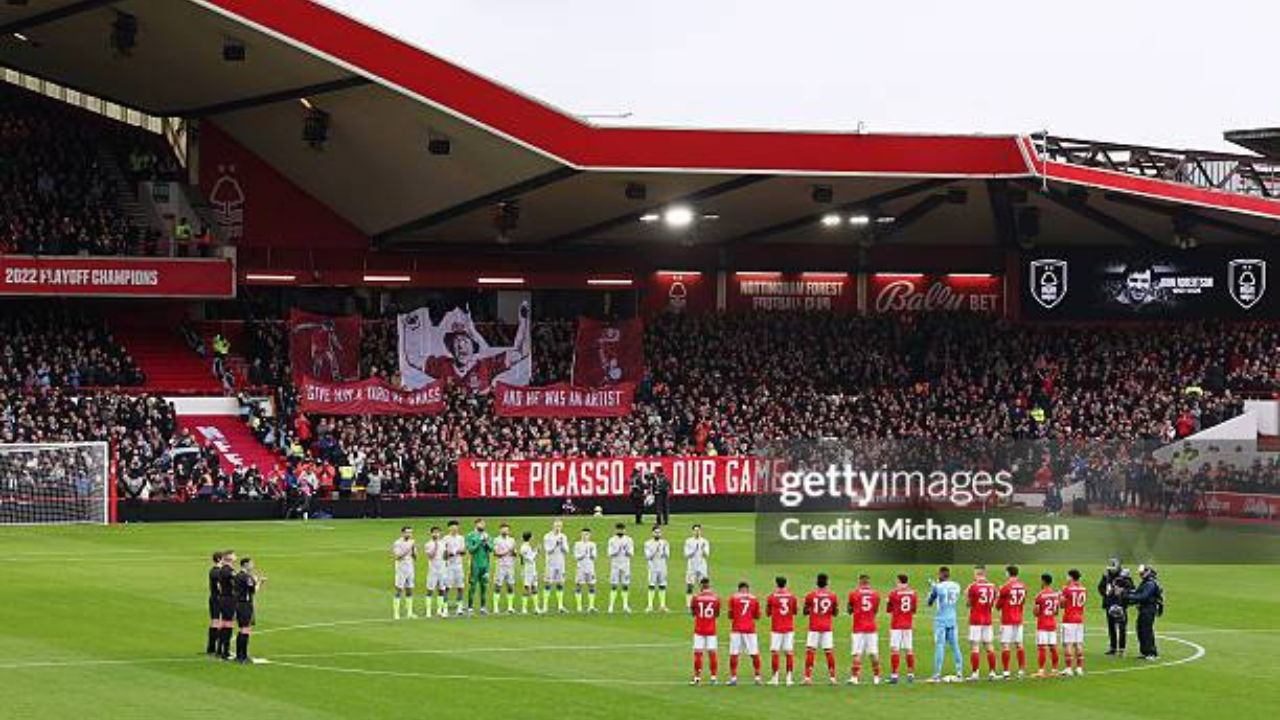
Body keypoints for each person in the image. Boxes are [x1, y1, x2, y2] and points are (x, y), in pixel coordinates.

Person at [926, 566, 964, 682]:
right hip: (952, 618)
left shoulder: (938, 587)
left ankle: (936, 675)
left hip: (941, 620)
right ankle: (959, 673)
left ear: (941, 575)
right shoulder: (957, 585)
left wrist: (933, 588)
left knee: (940, 646)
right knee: (955, 646)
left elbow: (929, 602)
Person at [802, 572, 839, 685]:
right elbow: (835, 613)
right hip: (827, 627)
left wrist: (810, 609)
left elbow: (805, 612)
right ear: (827, 582)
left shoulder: (810, 595)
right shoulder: (832, 596)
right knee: (828, 652)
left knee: (810, 651)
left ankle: (808, 678)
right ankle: (833, 678)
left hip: (814, 626)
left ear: (816, 582)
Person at [847, 573, 882, 685]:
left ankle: (855, 678)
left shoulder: (854, 594)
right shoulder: (876, 594)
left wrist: (852, 609)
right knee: (873, 653)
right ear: (868, 582)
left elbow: (849, 610)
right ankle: (876, 677)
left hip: (858, 627)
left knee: (857, 653)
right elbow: (875, 610)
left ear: (860, 582)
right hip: (871, 626)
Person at [966, 564, 999, 681]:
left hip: (976, 619)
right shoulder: (993, 587)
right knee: (989, 646)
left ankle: (975, 674)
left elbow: (968, 604)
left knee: (975, 646)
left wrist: (969, 597)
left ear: (977, 574)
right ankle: (992, 673)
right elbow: (994, 602)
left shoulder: (973, 587)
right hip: (988, 619)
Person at [727, 580, 762, 686]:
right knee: (754, 653)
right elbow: (758, 616)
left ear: (739, 589)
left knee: (734, 653)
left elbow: (730, 615)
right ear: (747, 589)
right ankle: (757, 677)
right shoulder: (754, 599)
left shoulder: (733, 598)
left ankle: (733, 678)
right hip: (750, 629)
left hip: (736, 629)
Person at [996, 564, 1028, 679]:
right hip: (1018, 619)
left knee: (1006, 645)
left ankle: (1006, 672)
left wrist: (999, 595)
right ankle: (1021, 670)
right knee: (1019, 645)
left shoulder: (1005, 587)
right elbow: (1022, 602)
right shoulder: (1024, 586)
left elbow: (998, 606)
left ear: (1008, 573)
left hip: (1007, 619)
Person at [886, 573, 918, 684]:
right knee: (909, 649)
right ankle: (910, 674)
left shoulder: (894, 593)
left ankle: (894, 675)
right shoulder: (913, 593)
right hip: (908, 624)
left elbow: (888, 609)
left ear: (899, 581)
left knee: (895, 649)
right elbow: (914, 609)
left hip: (896, 625)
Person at [765, 575, 798, 686]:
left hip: (776, 628)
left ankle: (775, 678)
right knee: (789, 653)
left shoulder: (771, 597)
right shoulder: (792, 597)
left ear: (776, 584)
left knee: (775, 652)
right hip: (789, 628)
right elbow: (795, 612)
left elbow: (768, 613)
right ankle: (789, 679)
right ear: (786, 584)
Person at [1126, 564, 1164, 660]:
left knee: (1146, 630)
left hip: (1149, 609)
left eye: (1142, 573)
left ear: (1148, 572)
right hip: (1144, 609)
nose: (1141, 575)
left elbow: (1143, 596)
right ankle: (1145, 651)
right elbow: (1138, 593)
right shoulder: (1146, 582)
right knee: (1141, 629)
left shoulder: (1150, 583)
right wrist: (1129, 594)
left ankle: (1151, 652)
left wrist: (1128, 596)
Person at [690, 577, 721, 685]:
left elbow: (693, 613)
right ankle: (713, 678)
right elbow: (717, 614)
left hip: (699, 629)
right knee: (712, 653)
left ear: (701, 586)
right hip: (711, 630)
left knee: (698, 653)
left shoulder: (696, 598)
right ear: (709, 585)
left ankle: (697, 678)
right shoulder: (716, 598)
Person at [1099, 558, 1133, 656]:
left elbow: (1131, 588)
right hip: (1109, 604)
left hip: (1121, 605)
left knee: (1122, 627)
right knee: (1111, 627)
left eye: (1113, 568)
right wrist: (1105, 592)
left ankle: (1122, 649)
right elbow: (1100, 587)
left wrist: (1121, 591)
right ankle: (1113, 648)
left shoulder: (1125, 575)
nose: (1111, 570)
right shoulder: (1106, 575)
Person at [232, 556, 263, 664]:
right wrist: (259, 582)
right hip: (245, 605)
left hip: (238, 604)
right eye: (251, 563)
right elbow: (253, 590)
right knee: (245, 630)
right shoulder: (246, 577)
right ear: (246, 564)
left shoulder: (237, 575)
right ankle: (243, 656)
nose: (253, 565)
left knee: (242, 629)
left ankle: (239, 656)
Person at [1033, 572, 1062, 678]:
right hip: (1052, 624)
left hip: (1042, 624)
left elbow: (1036, 612)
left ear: (1043, 581)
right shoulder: (1055, 594)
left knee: (1042, 648)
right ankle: (1055, 670)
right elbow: (1056, 612)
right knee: (1053, 647)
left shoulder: (1040, 595)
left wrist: (1038, 612)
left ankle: (1041, 671)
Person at [1061, 568, 1088, 676]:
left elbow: (1062, 605)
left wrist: (1061, 595)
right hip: (1079, 619)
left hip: (1069, 619)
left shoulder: (1067, 589)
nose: (1066, 578)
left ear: (1071, 577)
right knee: (1078, 643)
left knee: (1068, 643)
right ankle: (1079, 668)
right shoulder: (1083, 589)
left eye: (1067, 576)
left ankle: (1068, 669)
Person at [465, 518, 493, 615]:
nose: (483, 525)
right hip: (475, 565)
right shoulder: (470, 535)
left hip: (485, 565)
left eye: (484, 524)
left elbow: (491, 549)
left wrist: (486, 543)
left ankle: (483, 607)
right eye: (481, 523)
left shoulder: (487, 535)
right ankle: (470, 607)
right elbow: (471, 549)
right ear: (476, 524)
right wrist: (479, 542)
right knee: (472, 586)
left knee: (484, 587)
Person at [214, 550, 237, 660]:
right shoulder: (228, 570)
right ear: (229, 558)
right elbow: (237, 582)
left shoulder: (223, 569)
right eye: (234, 555)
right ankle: (225, 652)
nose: (235, 556)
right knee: (228, 625)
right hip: (228, 599)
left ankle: (219, 650)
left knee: (224, 624)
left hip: (224, 598)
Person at [391, 526, 418, 619]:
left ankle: (409, 612)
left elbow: (415, 558)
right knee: (399, 590)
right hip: (400, 570)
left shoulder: (412, 542)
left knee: (409, 590)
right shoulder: (397, 543)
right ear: (402, 533)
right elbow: (397, 557)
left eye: (410, 533)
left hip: (410, 569)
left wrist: (414, 550)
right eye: (407, 532)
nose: (409, 534)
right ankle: (396, 613)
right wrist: (408, 549)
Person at [542, 519, 569, 613]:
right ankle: (545, 606)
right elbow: (548, 550)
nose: (558, 528)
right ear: (553, 526)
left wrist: (561, 544)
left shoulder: (563, 536)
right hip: (550, 564)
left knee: (560, 584)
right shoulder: (547, 536)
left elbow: (566, 551)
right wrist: (555, 543)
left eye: (560, 526)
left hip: (561, 563)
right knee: (548, 583)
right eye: (556, 526)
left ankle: (560, 606)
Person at [606, 522, 634, 613]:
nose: (620, 531)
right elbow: (609, 553)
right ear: (615, 530)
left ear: (624, 530)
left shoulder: (629, 540)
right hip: (615, 565)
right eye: (618, 529)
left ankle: (625, 606)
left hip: (626, 564)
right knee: (614, 585)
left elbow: (631, 554)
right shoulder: (611, 540)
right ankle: (611, 606)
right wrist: (617, 550)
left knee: (625, 585)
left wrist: (626, 550)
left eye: (622, 529)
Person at [644, 524, 671, 612]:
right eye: (656, 532)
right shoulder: (648, 543)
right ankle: (650, 605)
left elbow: (667, 555)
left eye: (659, 532)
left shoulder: (665, 543)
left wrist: (663, 550)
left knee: (662, 585)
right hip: (652, 567)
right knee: (651, 585)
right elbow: (648, 556)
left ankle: (662, 605)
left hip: (662, 566)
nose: (657, 534)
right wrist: (655, 550)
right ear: (652, 533)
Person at [492, 523, 518, 614]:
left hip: (510, 566)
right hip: (500, 566)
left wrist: (514, 552)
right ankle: (495, 608)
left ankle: (510, 607)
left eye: (506, 530)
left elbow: (515, 554)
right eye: (503, 529)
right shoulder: (496, 540)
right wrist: (508, 551)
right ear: (500, 530)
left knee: (510, 586)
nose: (505, 531)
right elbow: (496, 554)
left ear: (509, 531)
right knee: (498, 586)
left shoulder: (512, 540)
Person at [442, 520, 466, 615]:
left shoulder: (461, 538)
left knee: (460, 587)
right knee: (446, 587)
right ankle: (445, 609)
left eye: (456, 527)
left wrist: (455, 552)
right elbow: (444, 555)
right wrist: (450, 553)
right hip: (449, 566)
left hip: (459, 566)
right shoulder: (445, 539)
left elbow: (463, 551)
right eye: (452, 527)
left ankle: (459, 608)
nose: (454, 529)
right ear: (449, 528)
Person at [423, 526, 448, 618]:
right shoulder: (428, 544)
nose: (436, 534)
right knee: (430, 590)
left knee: (442, 590)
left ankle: (441, 610)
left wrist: (447, 553)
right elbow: (430, 556)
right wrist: (436, 546)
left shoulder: (444, 543)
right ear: (431, 533)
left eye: (438, 532)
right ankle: (428, 611)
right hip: (433, 570)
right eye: (434, 532)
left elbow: (445, 557)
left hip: (442, 569)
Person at [684, 524, 710, 607]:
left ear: (701, 531)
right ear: (692, 531)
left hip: (702, 566)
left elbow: (707, 554)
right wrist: (694, 549)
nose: (697, 532)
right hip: (691, 566)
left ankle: (703, 602)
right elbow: (686, 554)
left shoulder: (705, 541)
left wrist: (702, 549)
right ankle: (689, 604)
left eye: (698, 530)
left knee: (703, 585)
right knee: (690, 585)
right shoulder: (688, 541)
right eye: (695, 530)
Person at [573, 527, 598, 613]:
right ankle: (579, 606)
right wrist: (583, 554)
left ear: (590, 535)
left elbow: (594, 557)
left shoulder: (593, 544)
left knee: (592, 585)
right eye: (583, 534)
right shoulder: (577, 544)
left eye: (587, 534)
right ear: (581, 534)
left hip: (590, 568)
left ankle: (591, 606)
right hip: (580, 568)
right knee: (578, 585)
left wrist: (591, 553)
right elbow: (576, 557)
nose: (585, 536)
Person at [519, 530, 541, 615]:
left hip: (532, 570)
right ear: (530, 538)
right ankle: (524, 609)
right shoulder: (524, 547)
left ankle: (536, 608)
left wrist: (535, 550)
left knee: (535, 587)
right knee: (527, 588)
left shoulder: (526, 546)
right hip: (528, 570)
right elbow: (530, 558)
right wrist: (537, 551)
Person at [205, 551, 223, 656]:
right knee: (217, 623)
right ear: (220, 559)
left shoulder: (213, 571)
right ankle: (214, 648)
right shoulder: (217, 572)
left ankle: (211, 648)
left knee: (215, 622)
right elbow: (219, 586)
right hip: (218, 599)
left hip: (214, 598)